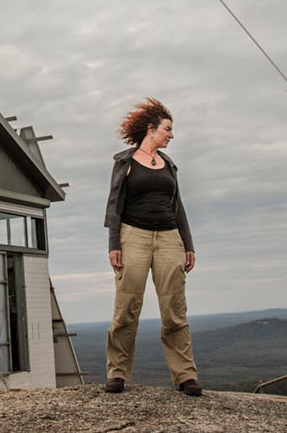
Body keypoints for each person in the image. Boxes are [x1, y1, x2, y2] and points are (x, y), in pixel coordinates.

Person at [102, 97, 201, 396]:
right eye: (167, 129)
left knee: (174, 310)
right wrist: (114, 242)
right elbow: (114, 205)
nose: (171, 135)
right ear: (151, 129)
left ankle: (185, 375)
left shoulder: (169, 165)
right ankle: (116, 373)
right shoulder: (125, 163)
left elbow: (179, 207)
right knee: (126, 308)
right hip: (134, 236)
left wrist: (188, 244)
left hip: (170, 237)